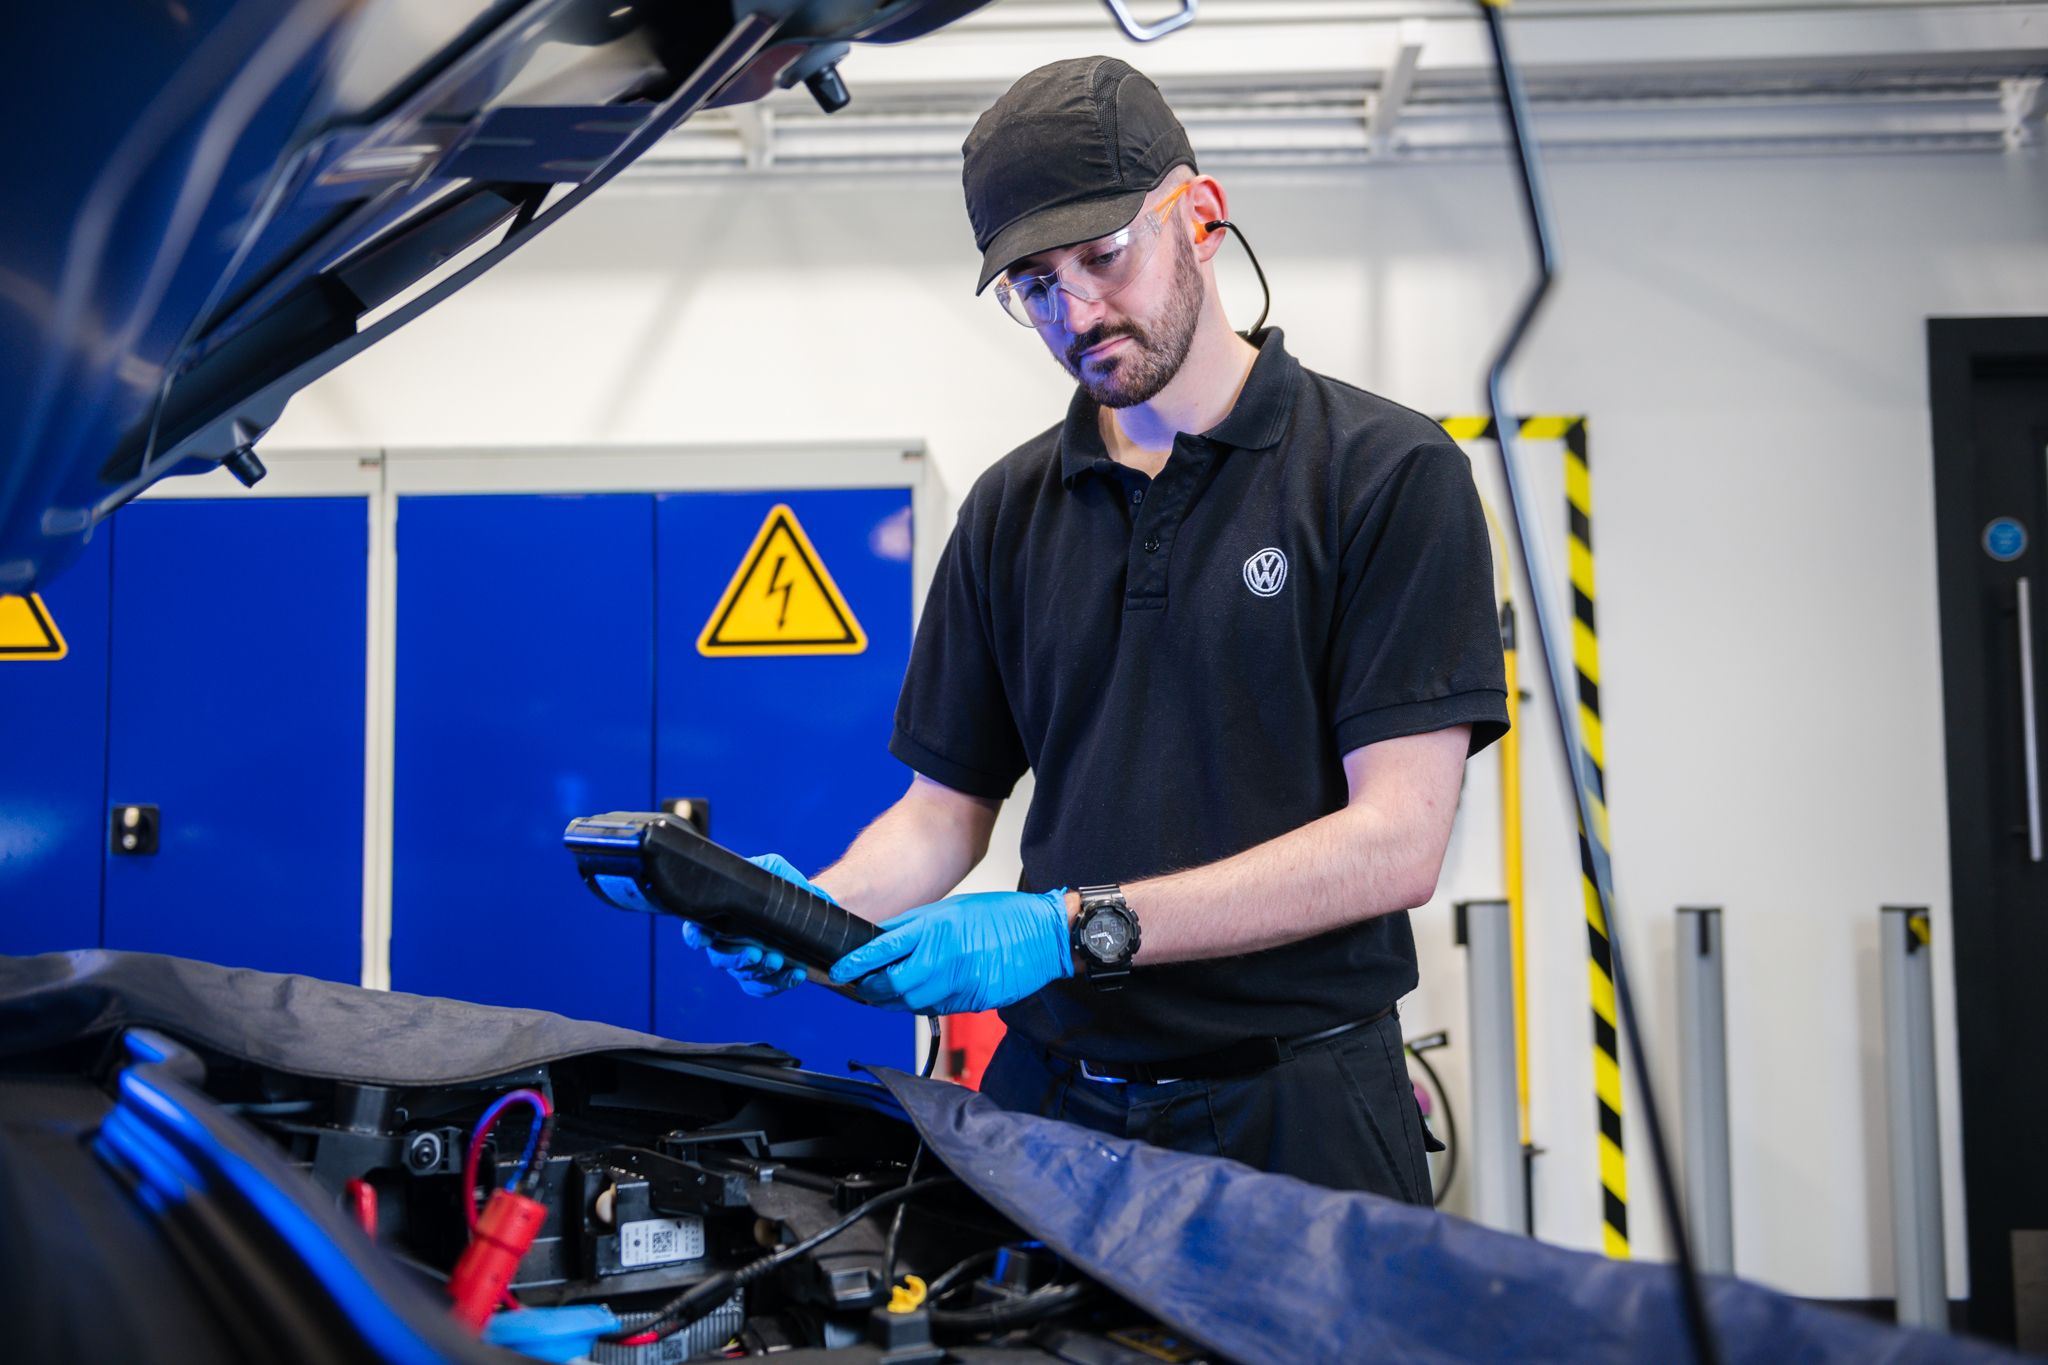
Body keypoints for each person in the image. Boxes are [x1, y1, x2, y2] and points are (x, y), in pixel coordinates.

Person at [687, 56, 1508, 1200]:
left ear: (1200, 217)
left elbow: (1395, 844)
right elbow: (939, 821)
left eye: (1102, 255)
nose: (1073, 312)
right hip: (1056, 1109)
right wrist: (812, 914)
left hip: (1299, 1115)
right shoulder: (1010, 511)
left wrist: (1078, 927)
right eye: (1032, 283)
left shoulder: (1381, 476)